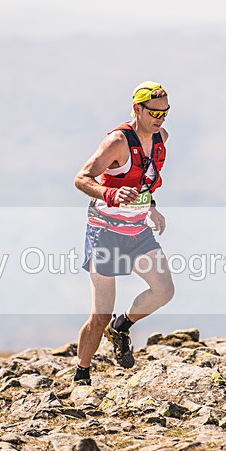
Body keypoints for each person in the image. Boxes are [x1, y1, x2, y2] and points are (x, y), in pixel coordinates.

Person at [72, 81, 175, 385]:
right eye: (154, 112)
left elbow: (145, 179)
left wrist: (151, 207)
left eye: (165, 112)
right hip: (105, 233)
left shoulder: (161, 139)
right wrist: (110, 194)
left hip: (137, 230)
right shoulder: (117, 142)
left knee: (164, 291)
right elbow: (81, 178)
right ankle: (82, 374)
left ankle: (121, 327)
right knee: (100, 315)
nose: (159, 118)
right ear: (137, 109)